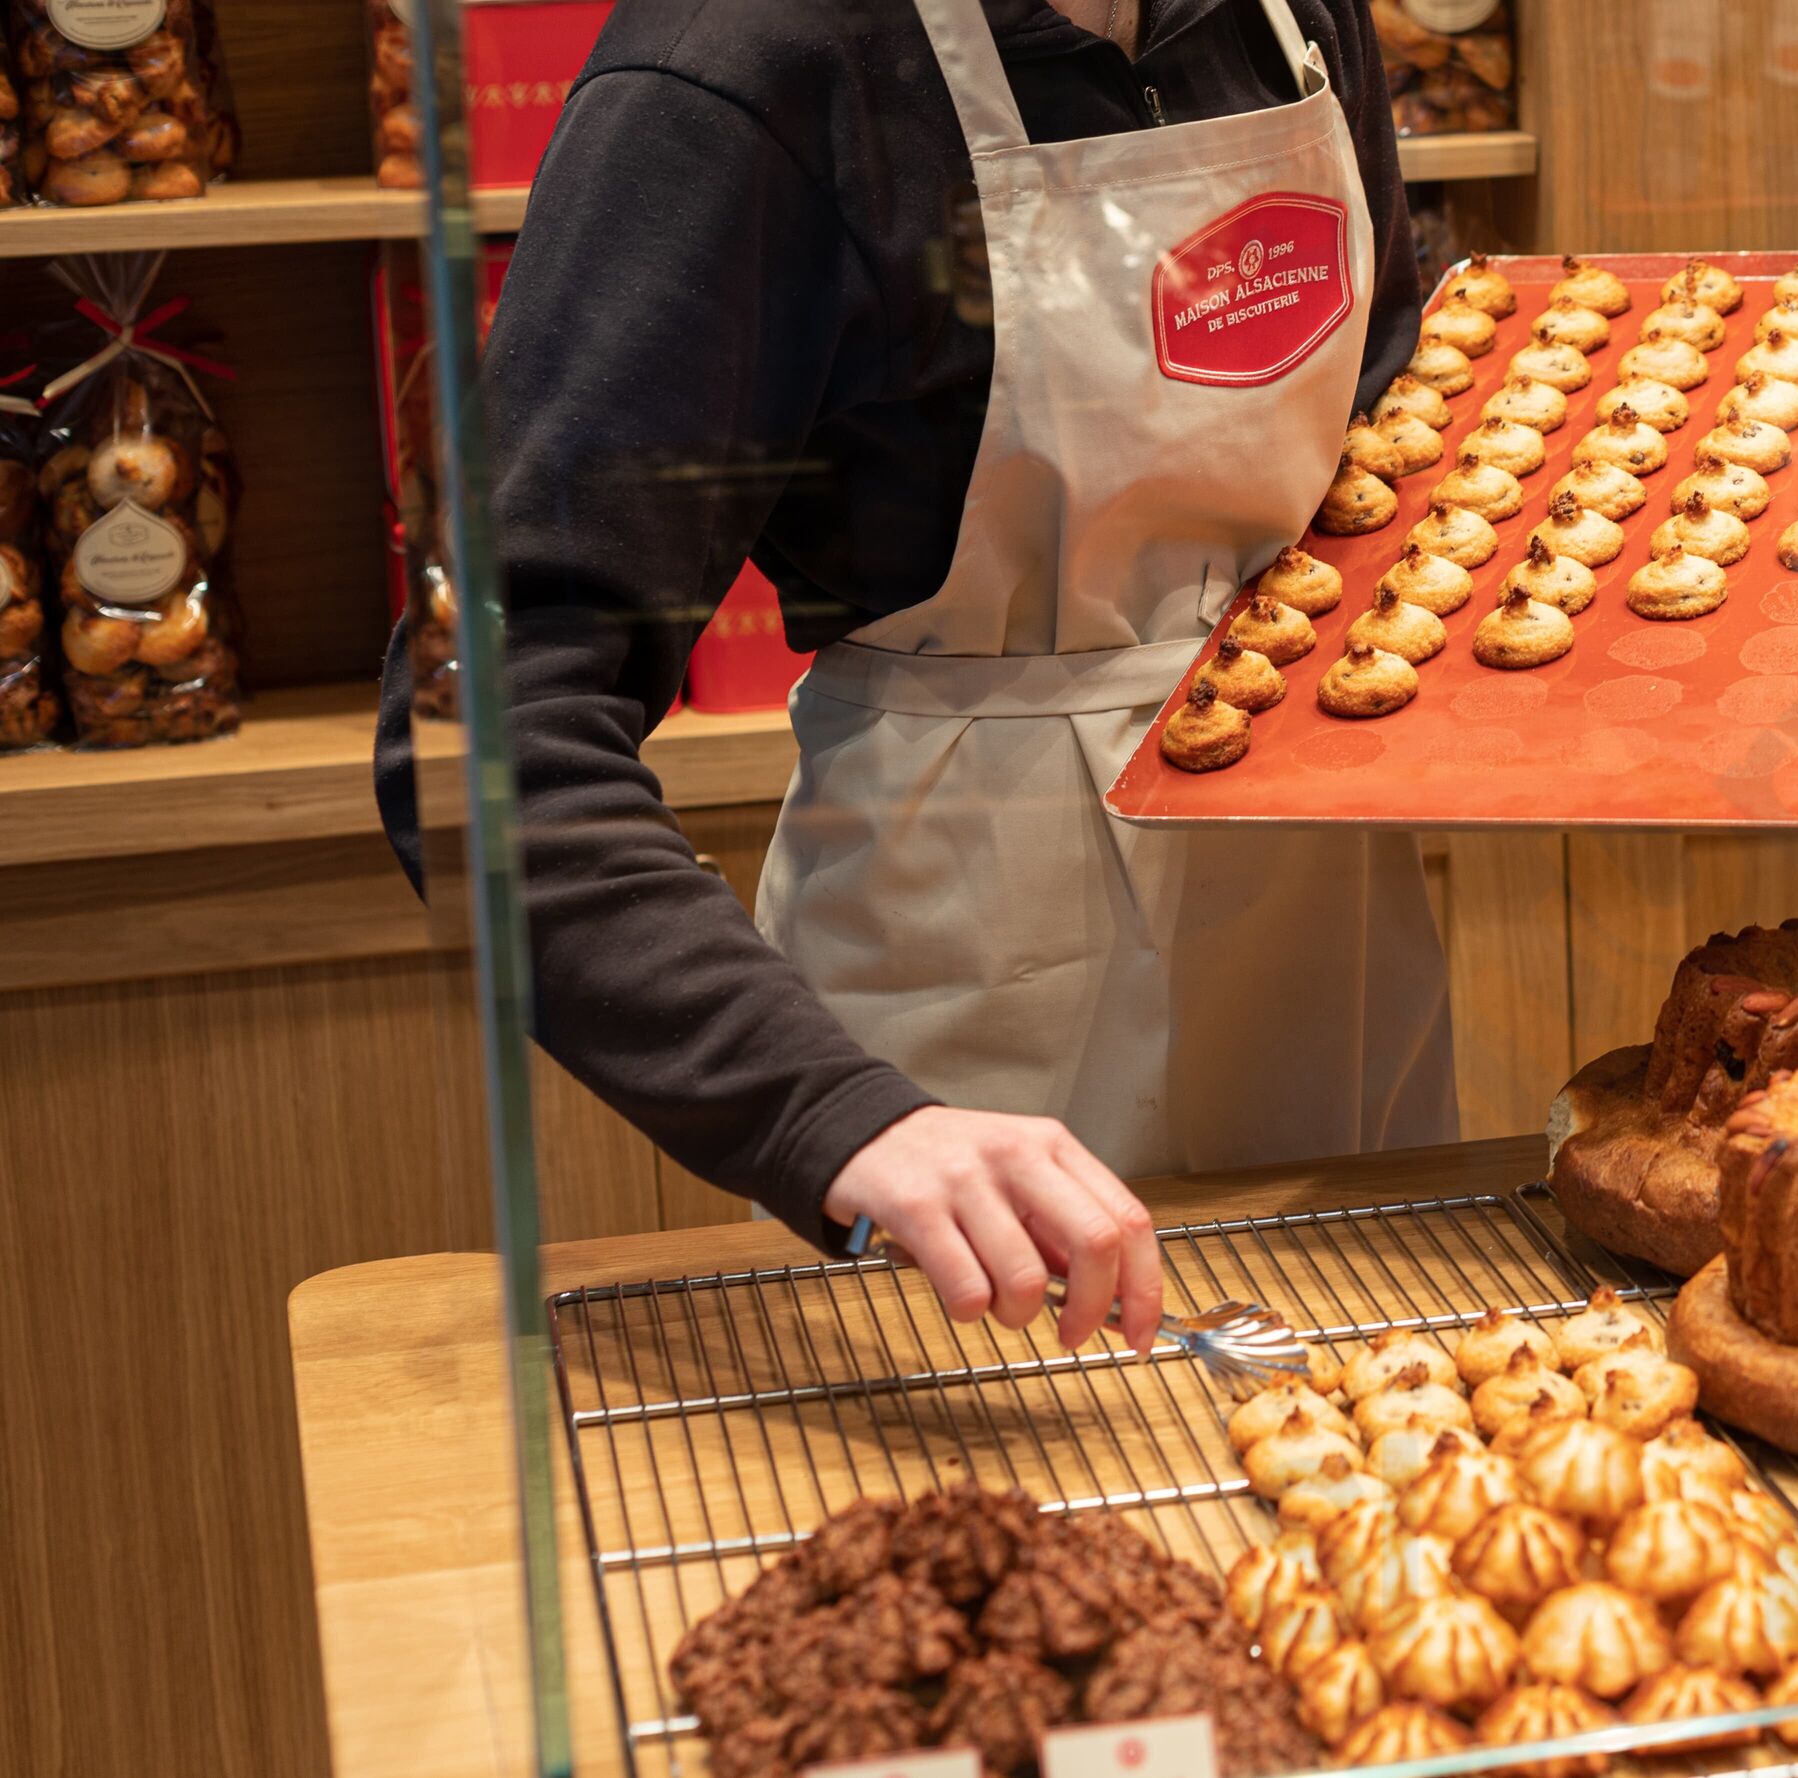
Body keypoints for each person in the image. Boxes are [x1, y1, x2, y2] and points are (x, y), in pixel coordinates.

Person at [374, 0, 1457, 1352]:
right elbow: (486, 728)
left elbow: (1388, 419)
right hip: (973, 1031)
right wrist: (838, 1118)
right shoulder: (745, 65)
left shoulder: (1292, 16)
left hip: (1334, 961)